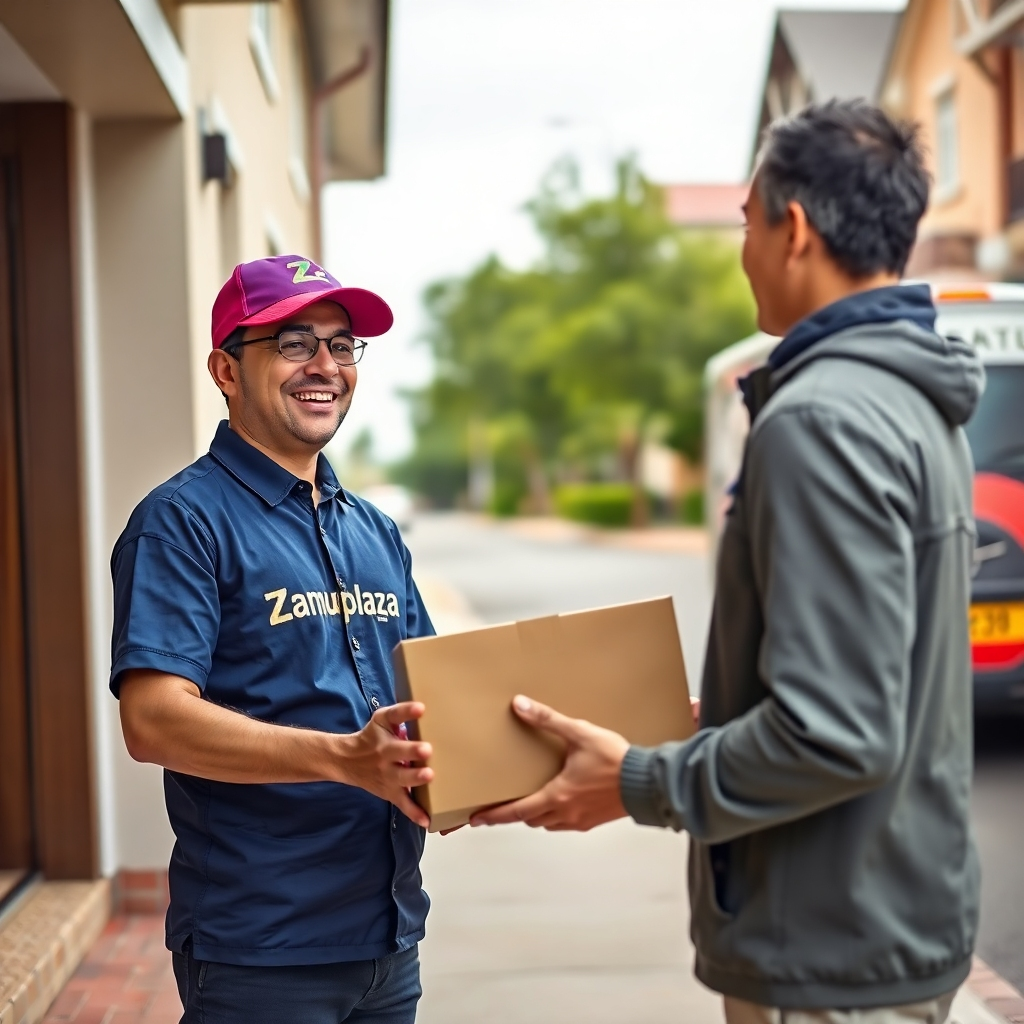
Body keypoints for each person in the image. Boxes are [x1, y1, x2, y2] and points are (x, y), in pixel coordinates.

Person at [474, 100, 983, 1024]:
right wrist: (727, 719)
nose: (743, 251)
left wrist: (636, 780)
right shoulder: (914, 405)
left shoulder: (821, 420)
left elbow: (836, 731)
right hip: (893, 914)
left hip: (826, 947)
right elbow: (877, 678)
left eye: (747, 225)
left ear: (795, 230)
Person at [112, 255, 435, 1024]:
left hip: (390, 940)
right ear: (226, 370)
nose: (326, 366)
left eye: (342, 345)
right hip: (262, 952)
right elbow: (152, 720)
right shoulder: (181, 522)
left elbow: (432, 692)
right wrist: (345, 758)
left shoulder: (375, 531)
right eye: (295, 343)